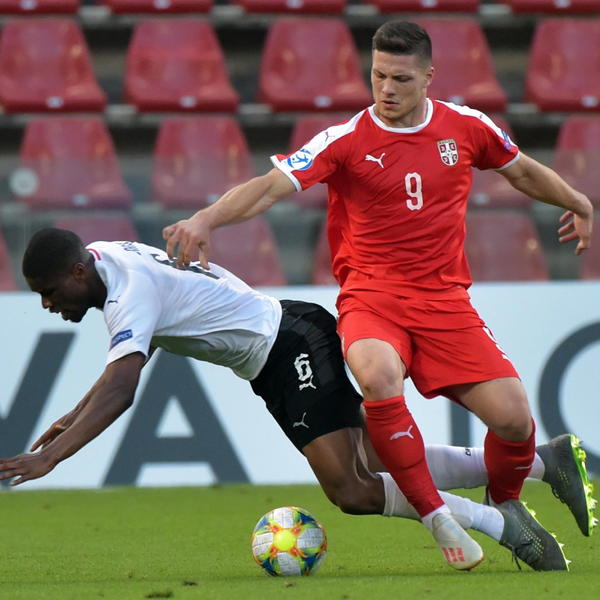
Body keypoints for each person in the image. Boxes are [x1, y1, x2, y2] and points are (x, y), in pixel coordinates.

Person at [161, 21, 594, 573]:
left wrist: (578, 201)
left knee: (513, 420)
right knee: (377, 375)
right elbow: (269, 188)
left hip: (445, 303)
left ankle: (507, 505)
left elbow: (523, 171)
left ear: (429, 76)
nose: (386, 89)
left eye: (401, 79)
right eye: (378, 75)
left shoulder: (466, 127)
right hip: (372, 298)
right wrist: (206, 218)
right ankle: (436, 515)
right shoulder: (345, 140)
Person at [0, 230, 594, 573]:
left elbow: (124, 386)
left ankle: (501, 525)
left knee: (351, 490)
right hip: (278, 351)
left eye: (50, 292)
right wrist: (73, 417)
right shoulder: (105, 256)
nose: (48, 305)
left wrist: (50, 458)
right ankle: (544, 463)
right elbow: (131, 355)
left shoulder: (128, 292)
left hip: (289, 344)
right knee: (377, 460)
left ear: (77, 271)